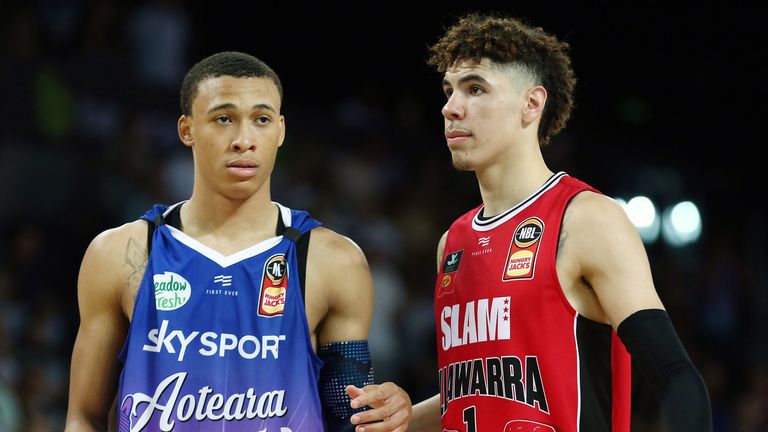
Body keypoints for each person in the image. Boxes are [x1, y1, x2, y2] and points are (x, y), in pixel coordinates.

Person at [348, 12, 712, 432]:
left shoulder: (586, 218)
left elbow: (675, 375)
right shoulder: (452, 242)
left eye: (475, 89)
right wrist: (404, 416)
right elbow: (473, 395)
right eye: (449, 91)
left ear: (531, 104)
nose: (450, 107)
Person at [65, 51, 411, 432]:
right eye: (223, 119)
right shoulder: (120, 252)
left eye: (261, 120)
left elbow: (353, 421)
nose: (243, 140)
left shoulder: (333, 260)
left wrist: (388, 411)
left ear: (280, 131)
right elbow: (84, 417)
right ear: (187, 129)